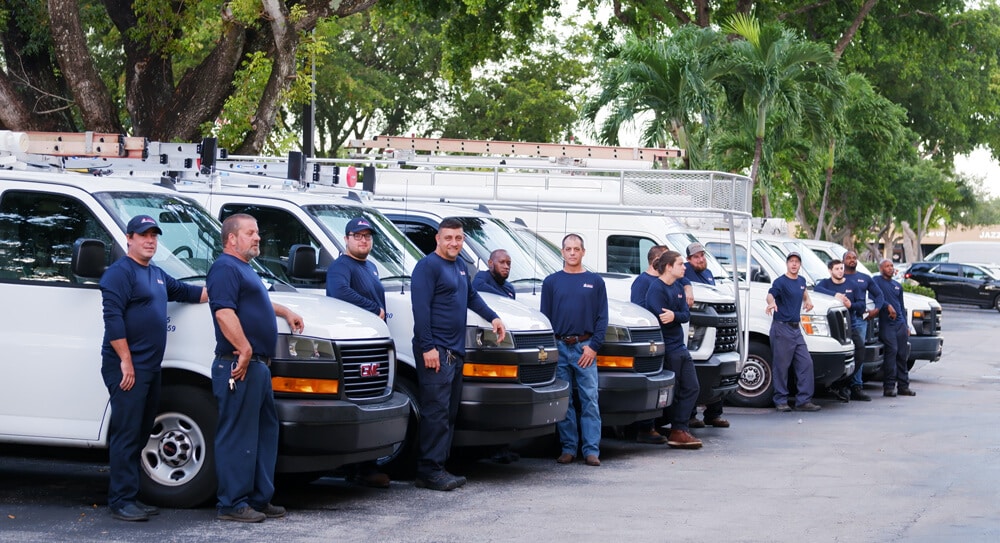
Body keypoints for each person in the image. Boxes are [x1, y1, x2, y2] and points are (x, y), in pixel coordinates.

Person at [100, 215, 207, 521]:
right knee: (126, 432)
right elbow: (113, 319)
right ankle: (120, 500)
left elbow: (190, 293)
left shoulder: (157, 274)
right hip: (126, 367)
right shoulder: (120, 273)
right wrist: (125, 361)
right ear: (129, 238)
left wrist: (227, 286)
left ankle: (131, 495)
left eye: (154, 236)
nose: (150, 241)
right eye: (144, 235)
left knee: (142, 431)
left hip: (150, 368)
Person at [207, 213, 304, 522]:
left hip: (258, 367)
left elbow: (256, 301)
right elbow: (224, 312)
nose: (258, 237)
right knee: (238, 435)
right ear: (232, 239)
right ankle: (232, 503)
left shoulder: (244, 269)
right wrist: (245, 348)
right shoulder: (224, 268)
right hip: (239, 365)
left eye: (257, 232)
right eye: (250, 233)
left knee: (264, 433)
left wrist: (285, 310)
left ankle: (259, 499)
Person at [410, 218, 506, 491]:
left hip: (454, 351)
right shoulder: (427, 267)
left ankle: (439, 466)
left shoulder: (460, 266)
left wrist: (494, 317)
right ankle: (429, 470)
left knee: (448, 414)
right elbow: (421, 310)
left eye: (459, 238)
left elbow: (472, 296)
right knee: (435, 413)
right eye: (449, 237)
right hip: (436, 351)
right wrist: (428, 347)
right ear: (438, 239)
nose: (454, 243)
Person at [325, 216, 391, 489]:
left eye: (367, 236)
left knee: (375, 405)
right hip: (354, 348)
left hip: (373, 344)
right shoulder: (341, 266)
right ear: (346, 239)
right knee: (358, 404)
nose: (363, 240)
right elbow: (337, 291)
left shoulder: (371, 267)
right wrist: (372, 309)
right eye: (358, 235)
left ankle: (366, 466)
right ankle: (356, 468)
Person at [542, 234, 609, 466]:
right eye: (568, 249)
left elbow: (603, 318)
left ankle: (591, 450)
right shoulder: (551, 282)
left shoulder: (596, 282)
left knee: (590, 399)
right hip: (560, 348)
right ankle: (568, 448)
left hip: (585, 348)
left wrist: (593, 347)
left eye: (576, 249)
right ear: (562, 252)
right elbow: (546, 319)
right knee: (565, 401)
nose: (572, 253)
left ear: (583, 252)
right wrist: (553, 349)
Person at [645, 250, 702, 449]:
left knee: (692, 387)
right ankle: (673, 429)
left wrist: (675, 315)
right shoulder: (656, 289)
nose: (684, 267)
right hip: (667, 348)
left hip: (680, 346)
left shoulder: (678, 287)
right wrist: (675, 315)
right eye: (680, 264)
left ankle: (680, 428)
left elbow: (685, 315)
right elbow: (662, 317)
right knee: (674, 390)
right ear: (669, 267)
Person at [765, 252, 821, 412]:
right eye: (791, 261)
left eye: (797, 261)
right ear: (787, 264)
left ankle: (803, 400)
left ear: (800, 264)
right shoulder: (780, 281)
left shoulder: (802, 281)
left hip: (797, 329)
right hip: (782, 328)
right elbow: (770, 295)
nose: (794, 264)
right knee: (781, 366)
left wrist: (808, 300)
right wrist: (771, 303)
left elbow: (803, 291)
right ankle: (781, 400)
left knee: (806, 363)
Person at [683, 242, 729, 429]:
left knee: (718, 372)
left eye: (702, 255)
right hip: (695, 331)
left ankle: (714, 414)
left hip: (716, 331)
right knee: (694, 372)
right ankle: (691, 415)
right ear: (688, 260)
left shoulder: (709, 274)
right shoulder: (685, 272)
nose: (701, 259)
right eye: (696, 257)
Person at [628, 245, 669, 445]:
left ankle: (654, 423)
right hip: (648, 341)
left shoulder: (663, 281)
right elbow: (638, 310)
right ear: (655, 261)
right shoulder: (642, 282)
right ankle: (645, 428)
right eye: (664, 259)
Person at [842, 250, 885, 401]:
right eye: (848, 258)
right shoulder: (838, 277)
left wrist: (876, 310)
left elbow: (879, 295)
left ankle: (856, 386)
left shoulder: (864, 278)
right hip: (840, 320)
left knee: (858, 353)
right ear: (843, 261)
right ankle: (842, 386)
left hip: (860, 320)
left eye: (854, 258)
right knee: (843, 353)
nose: (852, 260)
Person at [813, 259, 858, 402]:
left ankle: (844, 384)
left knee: (861, 352)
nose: (840, 271)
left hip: (851, 325)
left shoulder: (851, 285)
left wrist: (852, 304)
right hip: (834, 328)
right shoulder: (825, 284)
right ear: (830, 270)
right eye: (837, 269)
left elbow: (861, 304)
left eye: (841, 268)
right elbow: (815, 289)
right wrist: (835, 295)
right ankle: (834, 386)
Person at [872, 259, 915, 397]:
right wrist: (886, 305)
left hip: (900, 324)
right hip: (886, 323)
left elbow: (901, 306)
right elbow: (874, 297)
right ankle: (889, 387)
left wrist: (906, 325)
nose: (890, 268)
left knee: (902, 355)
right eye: (887, 266)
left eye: (891, 266)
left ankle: (904, 386)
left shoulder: (897, 285)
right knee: (892, 352)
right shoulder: (876, 281)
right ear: (881, 268)